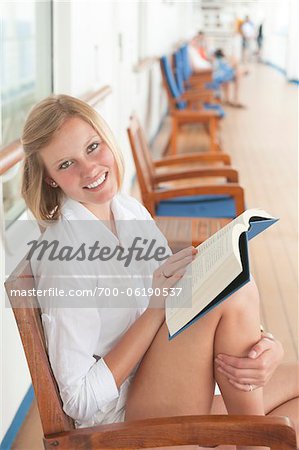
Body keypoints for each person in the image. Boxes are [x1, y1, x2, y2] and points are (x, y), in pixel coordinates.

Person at [21, 95, 298, 447]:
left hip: (165, 371)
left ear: (106, 139)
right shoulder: (66, 256)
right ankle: (252, 440)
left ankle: (250, 438)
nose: (89, 169)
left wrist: (265, 346)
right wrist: (155, 309)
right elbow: (80, 400)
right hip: (124, 417)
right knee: (237, 291)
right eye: (66, 164)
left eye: (93, 147)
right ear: (49, 180)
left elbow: (178, 288)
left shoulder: (126, 209)